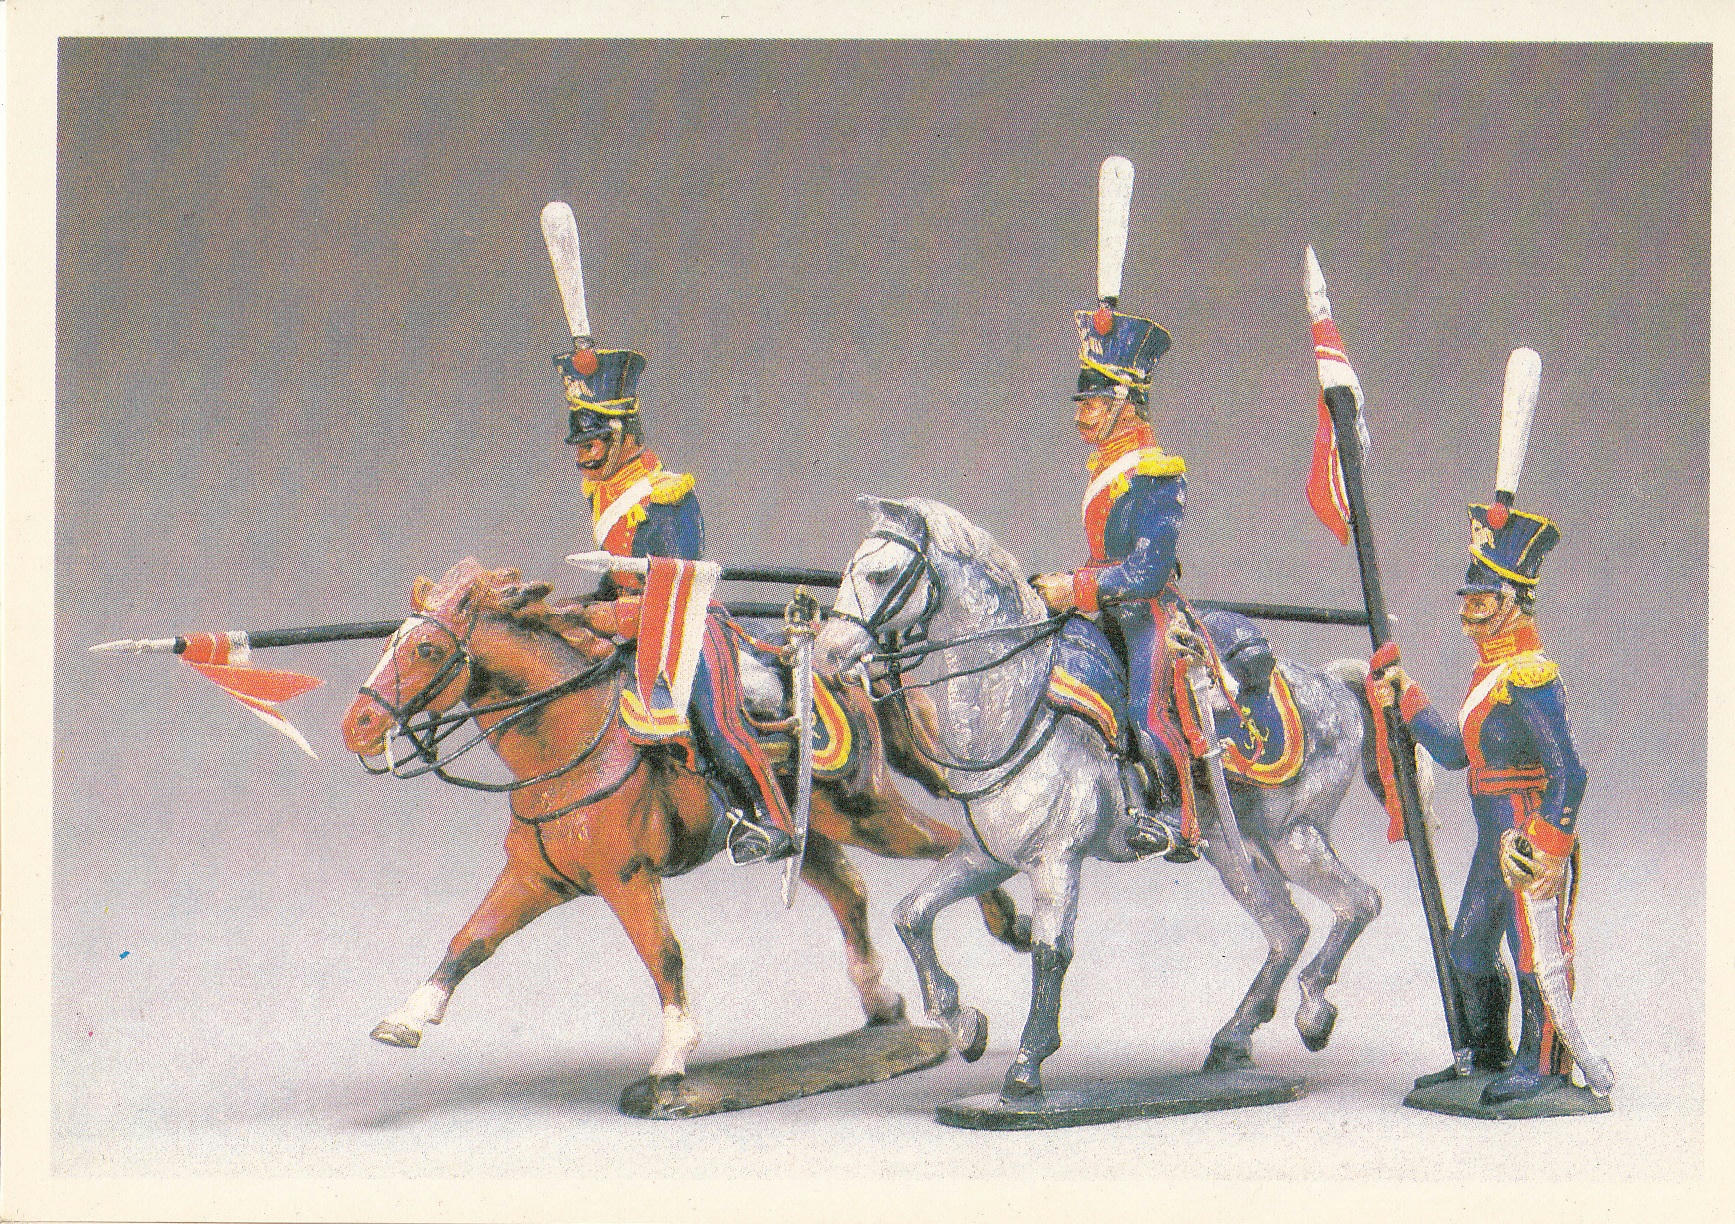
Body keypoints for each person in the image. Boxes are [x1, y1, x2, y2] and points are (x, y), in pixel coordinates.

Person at [1372, 499, 1591, 1105]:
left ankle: (1541, 1065)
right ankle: (1487, 1054)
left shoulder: (1530, 677)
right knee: (1468, 946)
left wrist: (1547, 847)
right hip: (1491, 836)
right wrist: (1406, 698)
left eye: (1482, 599)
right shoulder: (1489, 674)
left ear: (1513, 602)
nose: (1469, 612)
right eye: (1467, 599)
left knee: (1533, 953)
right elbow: (1454, 752)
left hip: (1526, 834)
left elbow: (1569, 774)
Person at [559, 344, 796, 864]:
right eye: (581, 445)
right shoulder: (603, 493)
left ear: (624, 435)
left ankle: (774, 821)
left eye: (594, 444)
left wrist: (613, 615)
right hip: (632, 624)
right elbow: (618, 578)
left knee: (716, 721)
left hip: (685, 627)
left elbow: (679, 584)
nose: (584, 456)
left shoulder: (667, 495)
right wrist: (575, 612)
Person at [1030, 304, 1217, 861]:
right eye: (1080, 404)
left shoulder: (1155, 473)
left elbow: (1148, 571)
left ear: (1123, 403)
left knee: (1146, 712)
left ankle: (1183, 823)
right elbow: (1104, 558)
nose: (1079, 416)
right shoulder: (1106, 468)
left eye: (1090, 404)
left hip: (1148, 614)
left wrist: (1075, 589)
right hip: (1110, 610)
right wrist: (1067, 583)